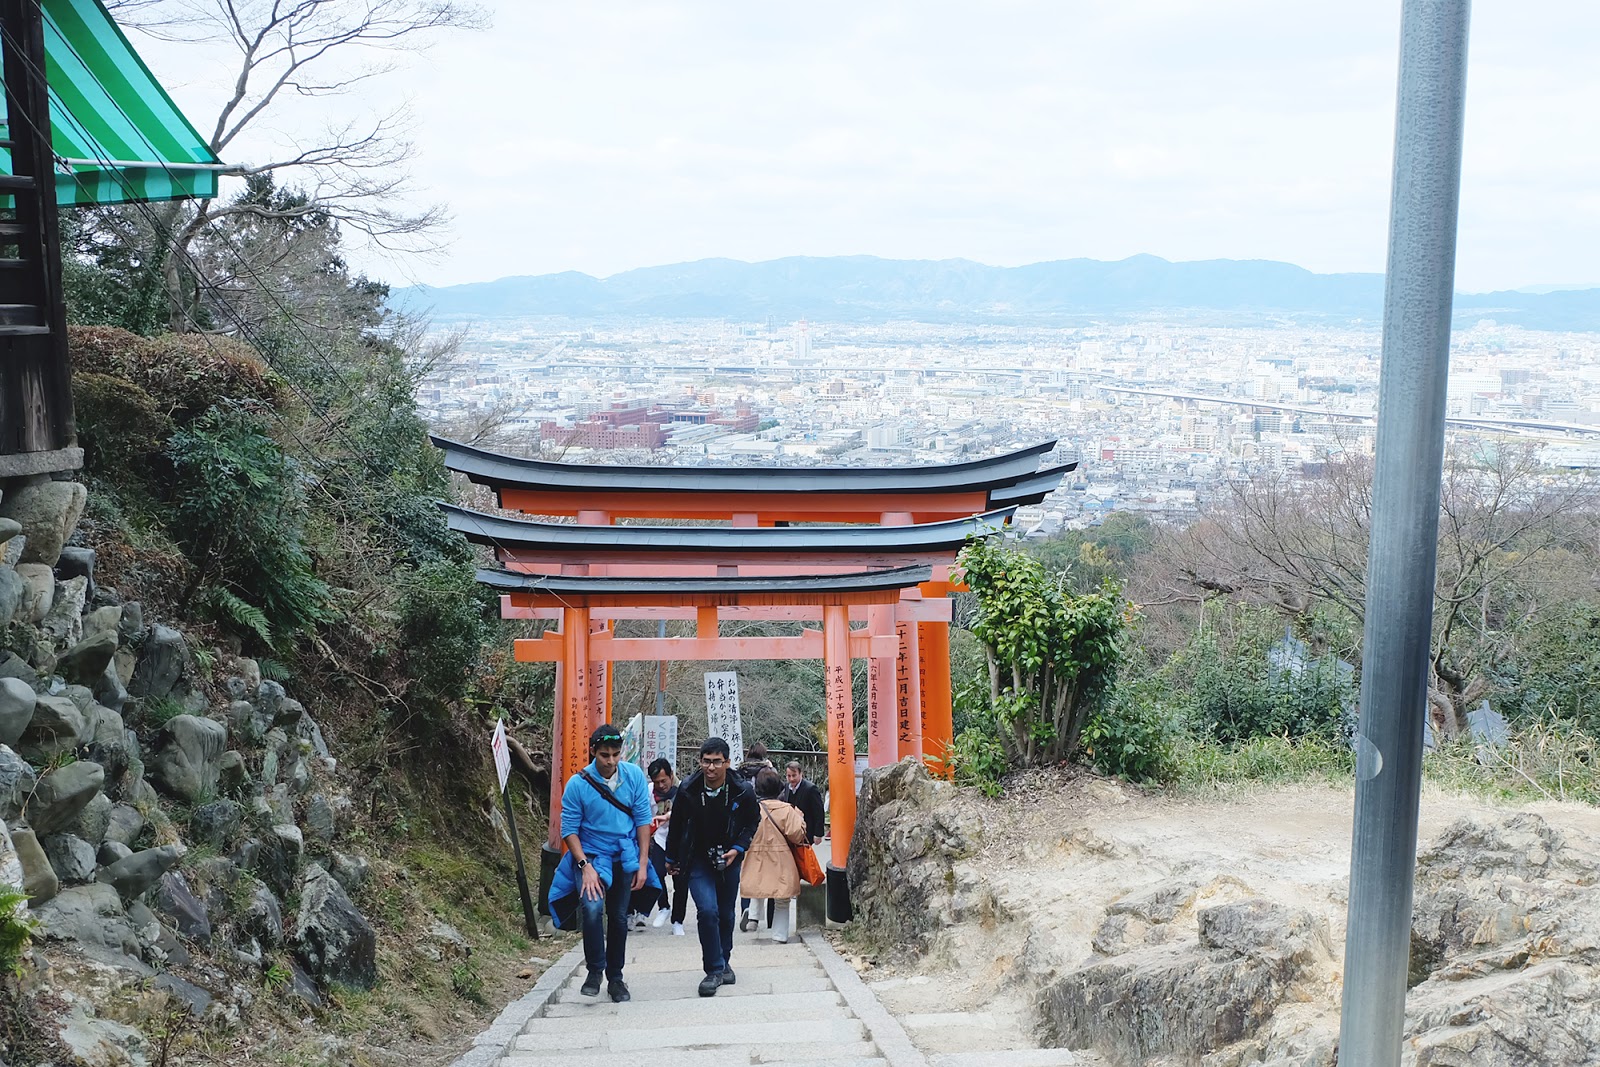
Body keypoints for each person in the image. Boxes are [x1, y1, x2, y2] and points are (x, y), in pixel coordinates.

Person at [545, 724, 657, 1003]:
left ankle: (616, 977)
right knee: (593, 909)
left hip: (623, 855)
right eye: (605, 755)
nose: (611, 761)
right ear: (594, 752)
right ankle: (595, 969)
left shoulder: (632, 776)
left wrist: (642, 863)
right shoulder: (578, 784)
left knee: (619, 917)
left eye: (616, 754)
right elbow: (569, 829)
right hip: (591, 854)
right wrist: (585, 867)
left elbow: (643, 820)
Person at [666, 736, 759, 997]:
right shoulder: (688, 789)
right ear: (700, 762)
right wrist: (671, 858)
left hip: (729, 857)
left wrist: (737, 848)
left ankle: (724, 959)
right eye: (706, 761)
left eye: (717, 762)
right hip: (697, 857)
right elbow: (676, 825)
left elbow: (753, 822)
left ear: (727, 763)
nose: (711, 767)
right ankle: (714, 970)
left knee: (727, 913)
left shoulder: (743, 790)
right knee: (707, 910)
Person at [741, 768, 808, 943]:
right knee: (782, 899)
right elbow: (797, 835)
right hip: (781, 858)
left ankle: (753, 918)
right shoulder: (786, 809)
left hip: (756, 856)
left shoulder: (751, 809)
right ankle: (779, 935)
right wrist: (800, 819)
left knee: (759, 887)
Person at [644, 757, 689, 935]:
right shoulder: (649, 793)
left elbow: (685, 811)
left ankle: (678, 920)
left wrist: (668, 816)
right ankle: (664, 906)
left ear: (671, 775)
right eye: (657, 782)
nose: (661, 785)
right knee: (656, 873)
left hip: (681, 840)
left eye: (664, 780)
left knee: (681, 881)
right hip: (661, 839)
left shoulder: (684, 790)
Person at [779, 760, 826, 844]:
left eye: (794, 775)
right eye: (789, 776)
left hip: (806, 830)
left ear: (800, 774)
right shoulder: (786, 787)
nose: (791, 779)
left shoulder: (810, 789)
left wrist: (818, 834)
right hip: (791, 830)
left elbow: (819, 812)